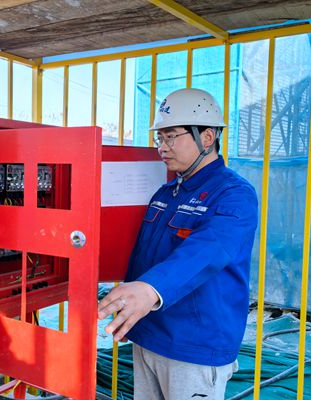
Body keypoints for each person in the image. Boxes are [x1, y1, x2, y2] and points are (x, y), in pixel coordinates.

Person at [97, 88, 259, 400]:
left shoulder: (234, 194)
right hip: (149, 333)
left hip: (193, 345)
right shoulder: (165, 192)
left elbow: (207, 251)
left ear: (207, 137)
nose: (162, 147)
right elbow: (143, 256)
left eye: (171, 137)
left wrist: (149, 290)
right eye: (160, 137)